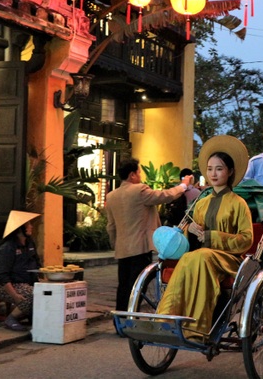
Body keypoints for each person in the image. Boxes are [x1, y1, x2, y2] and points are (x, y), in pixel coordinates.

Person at [156, 135, 253, 339]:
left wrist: (212, 236)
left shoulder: (238, 203)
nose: (213, 174)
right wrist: (189, 229)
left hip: (229, 259)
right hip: (201, 255)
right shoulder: (201, 203)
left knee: (199, 257)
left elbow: (246, 239)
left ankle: (196, 328)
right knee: (189, 257)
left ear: (230, 171)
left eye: (219, 168)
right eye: (209, 169)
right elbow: (188, 235)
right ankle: (165, 319)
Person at [105, 158, 193, 311]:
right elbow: (166, 195)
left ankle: (119, 319)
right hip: (140, 246)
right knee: (138, 285)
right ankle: (131, 317)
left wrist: (115, 244)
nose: (140, 176)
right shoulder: (139, 190)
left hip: (123, 248)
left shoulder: (111, 196)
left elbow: (111, 226)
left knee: (123, 285)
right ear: (132, 175)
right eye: (138, 173)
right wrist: (183, 185)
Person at [0, 210, 41, 331]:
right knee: (32, 294)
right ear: (21, 229)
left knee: (47, 292)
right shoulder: (8, 248)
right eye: (28, 224)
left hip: (28, 283)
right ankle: (11, 318)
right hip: (9, 286)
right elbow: (2, 275)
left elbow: (37, 263)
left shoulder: (30, 244)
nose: (31, 226)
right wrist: (14, 295)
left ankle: (29, 316)